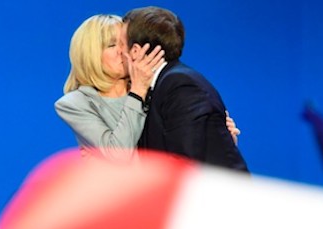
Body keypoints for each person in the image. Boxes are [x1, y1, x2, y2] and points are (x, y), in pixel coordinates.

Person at [55, 14, 241, 162]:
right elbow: (120, 155)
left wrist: (215, 136)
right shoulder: (75, 103)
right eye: (112, 45)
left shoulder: (157, 89)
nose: (123, 51)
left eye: (124, 42)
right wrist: (137, 93)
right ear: (90, 55)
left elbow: (175, 148)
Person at [122, 6, 249, 172]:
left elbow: (185, 164)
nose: (118, 52)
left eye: (120, 44)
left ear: (136, 51)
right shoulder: (162, 84)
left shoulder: (180, 85)